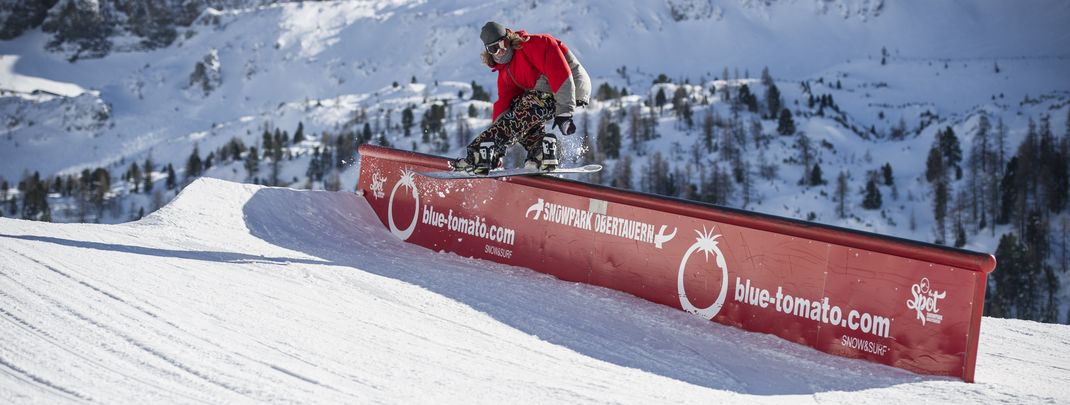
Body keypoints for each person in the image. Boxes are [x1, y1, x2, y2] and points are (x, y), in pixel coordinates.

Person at [451, 21, 591, 174]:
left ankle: (478, 154)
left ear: (509, 39)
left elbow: (560, 73)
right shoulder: (505, 73)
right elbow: (505, 110)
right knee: (519, 112)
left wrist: (564, 111)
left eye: (503, 43)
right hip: (546, 91)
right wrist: (495, 150)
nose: (501, 50)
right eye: (494, 48)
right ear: (488, 51)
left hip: (569, 84)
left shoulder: (534, 44)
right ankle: (540, 152)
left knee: (527, 108)